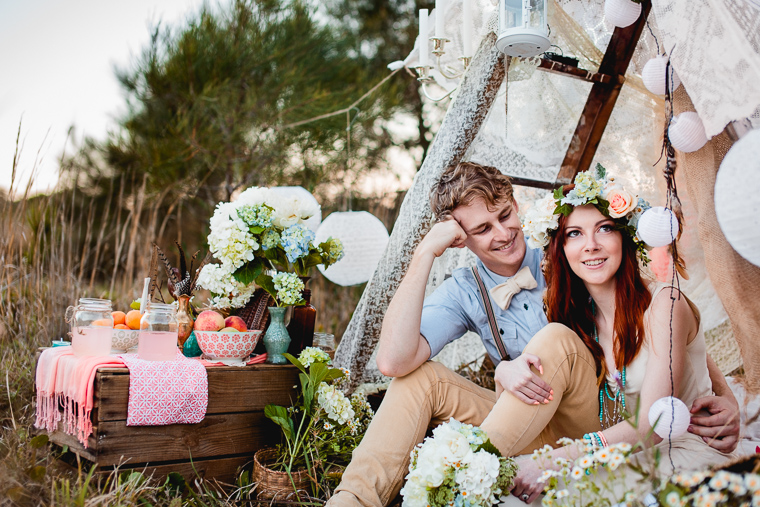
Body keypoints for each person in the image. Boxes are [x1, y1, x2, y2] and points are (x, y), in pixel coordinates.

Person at [327, 162, 739, 507]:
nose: (503, 234)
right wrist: (423, 254)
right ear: (460, 238)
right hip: (528, 420)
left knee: (556, 338)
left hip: (596, 417)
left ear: (517, 206)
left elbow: (658, 322)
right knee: (418, 379)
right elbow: (392, 362)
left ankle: (462, 479)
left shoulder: (568, 249)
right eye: (483, 228)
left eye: (505, 216)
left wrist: (724, 397)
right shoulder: (466, 288)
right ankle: (352, 501)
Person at [503, 166, 738, 503]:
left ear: (625, 237)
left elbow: (653, 422)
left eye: (605, 229)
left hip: (681, 453)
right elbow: (683, 354)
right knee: (521, 487)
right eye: (574, 234)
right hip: (622, 453)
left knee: (551, 492)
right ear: (559, 247)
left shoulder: (665, 302)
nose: (591, 245)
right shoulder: (578, 320)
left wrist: (557, 458)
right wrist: (503, 370)